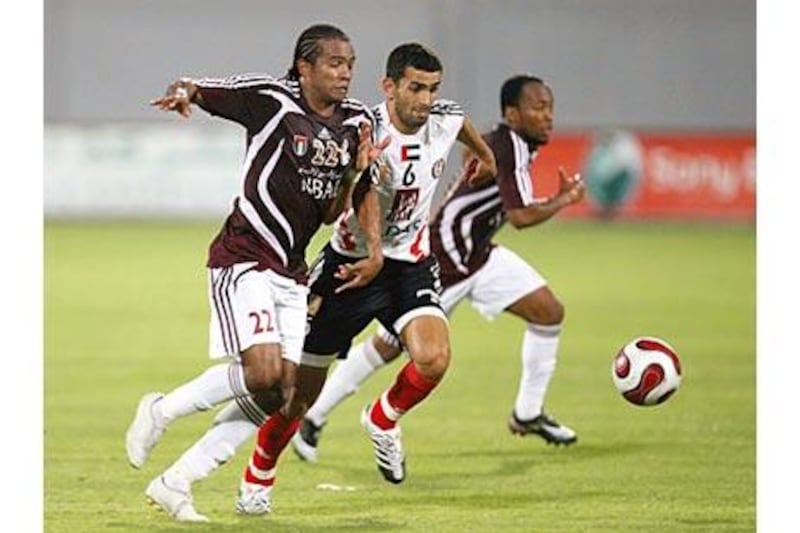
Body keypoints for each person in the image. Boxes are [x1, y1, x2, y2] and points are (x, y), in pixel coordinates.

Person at [124, 23, 386, 523]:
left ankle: (176, 482)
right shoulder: (271, 100)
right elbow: (197, 88)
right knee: (263, 373)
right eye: (334, 63)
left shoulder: (357, 122)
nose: (345, 73)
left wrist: (354, 176)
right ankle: (161, 410)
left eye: (350, 63)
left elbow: (333, 213)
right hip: (243, 256)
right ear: (304, 67)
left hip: (292, 270)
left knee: (280, 395)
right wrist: (182, 94)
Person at [234, 42, 497, 515]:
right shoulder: (363, 129)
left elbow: (460, 123)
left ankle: (383, 418)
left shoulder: (445, 118)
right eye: (415, 88)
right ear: (389, 86)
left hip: (408, 266)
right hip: (348, 268)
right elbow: (358, 196)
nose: (425, 100)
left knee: (434, 358)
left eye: (432, 89)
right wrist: (372, 249)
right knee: (296, 398)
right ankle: (259, 474)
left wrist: (485, 157)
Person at [291, 74, 585, 465]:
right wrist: (564, 199)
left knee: (549, 312)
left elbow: (471, 151)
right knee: (390, 346)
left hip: (478, 252)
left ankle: (528, 413)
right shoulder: (510, 144)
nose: (548, 115)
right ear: (512, 114)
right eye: (537, 107)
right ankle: (313, 415)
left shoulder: (509, 142)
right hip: (446, 255)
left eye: (549, 106)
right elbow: (520, 216)